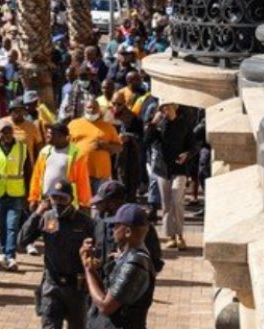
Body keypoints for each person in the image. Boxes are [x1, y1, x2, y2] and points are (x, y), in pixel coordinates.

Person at [19, 180, 94, 329]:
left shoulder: (84, 221)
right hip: (51, 286)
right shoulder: (47, 218)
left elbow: (96, 250)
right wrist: (37, 213)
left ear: (71, 199)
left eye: (63, 199)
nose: (58, 203)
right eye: (54, 198)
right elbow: (22, 240)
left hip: (76, 288)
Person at [81, 203, 157, 329]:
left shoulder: (134, 264)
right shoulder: (128, 256)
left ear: (127, 232)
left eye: (116, 226)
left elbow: (106, 307)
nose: (112, 230)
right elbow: (108, 293)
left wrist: (88, 269)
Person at [144, 103, 196, 250]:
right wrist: (153, 122)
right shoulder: (159, 125)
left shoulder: (184, 124)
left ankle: (179, 234)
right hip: (162, 169)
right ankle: (170, 236)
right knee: (166, 204)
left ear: (175, 107)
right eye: (162, 108)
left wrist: (187, 154)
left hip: (179, 168)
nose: (164, 110)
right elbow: (146, 140)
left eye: (167, 107)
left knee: (177, 200)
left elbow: (193, 146)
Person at [0, 117, 32, 271]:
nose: (6, 136)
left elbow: (28, 171)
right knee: (1, 226)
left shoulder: (22, 148)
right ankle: (2, 253)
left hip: (16, 193)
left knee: (12, 226)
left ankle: (11, 256)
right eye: (3, 133)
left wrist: (28, 194)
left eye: (9, 133)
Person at [30, 122, 92, 210]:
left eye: (51, 133)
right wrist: (33, 198)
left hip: (65, 202)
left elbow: (82, 181)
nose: (47, 135)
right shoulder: (44, 152)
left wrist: (84, 204)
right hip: (46, 201)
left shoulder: (76, 154)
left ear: (62, 136)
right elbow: (36, 177)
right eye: (47, 132)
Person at [67, 99, 123, 196]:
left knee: (99, 204)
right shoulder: (73, 124)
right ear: (84, 108)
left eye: (95, 108)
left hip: (101, 175)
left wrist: (106, 146)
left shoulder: (108, 127)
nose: (92, 110)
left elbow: (119, 148)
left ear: (99, 110)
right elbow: (66, 146)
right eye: (89, 107)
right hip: (79, 173)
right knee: (82, 204)